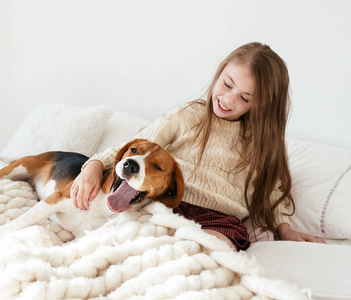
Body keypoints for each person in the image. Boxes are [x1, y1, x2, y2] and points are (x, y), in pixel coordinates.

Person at [70, 42, 326, 251]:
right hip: (170, 203)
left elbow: (271, 189)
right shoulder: (189, 115)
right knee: (140, 237)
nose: (227, 99)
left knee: (208, 250)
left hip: (219, 219)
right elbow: (136, 146)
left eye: (244, 98)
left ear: (260, 105)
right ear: (219, 73)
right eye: (227, 84)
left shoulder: (261, 143)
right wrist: (93, 164)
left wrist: (284, 228)